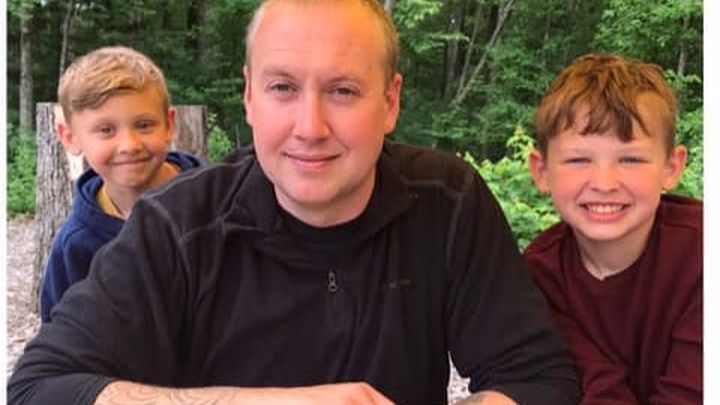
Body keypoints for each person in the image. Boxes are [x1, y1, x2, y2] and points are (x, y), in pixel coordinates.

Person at [9, 1, 580, 404]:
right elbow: (41, 386)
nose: (310, 127)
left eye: (343, 91)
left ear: (390, 101)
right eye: (283, 88)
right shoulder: (177, 225)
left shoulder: (447, 200)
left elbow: (537, 377)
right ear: (249, 96)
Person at [525, 53, 701, 403]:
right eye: (578, 160)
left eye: (631, 159)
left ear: (671, 167)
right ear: (542, 172)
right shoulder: (538, 275)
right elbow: (596, 385)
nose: (604, 184)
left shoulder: (703, 254)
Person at [39, 46, 205, 323]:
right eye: (106, 130)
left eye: (144, 125)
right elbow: (62, 331)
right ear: (70, 137)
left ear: (169, 125)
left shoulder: (220, 204)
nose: (129, 145)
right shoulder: (76, 246)